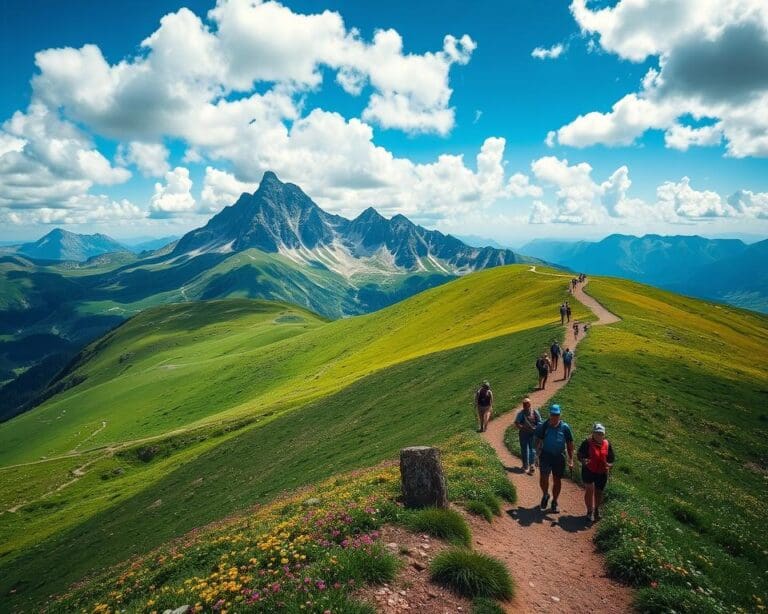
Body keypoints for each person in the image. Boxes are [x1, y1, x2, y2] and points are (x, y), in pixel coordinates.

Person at [534, 404, 574, 513]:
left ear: (560, 415)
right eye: (552, 414)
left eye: (556, 414)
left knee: (557, 480)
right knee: (543, 477)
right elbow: (538, 441)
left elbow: (570, 444)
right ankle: (545, 494)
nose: (554, 417)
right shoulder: (544, 426)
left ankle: (555, 501)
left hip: (559, 457)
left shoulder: (565, 428)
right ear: (549, 414)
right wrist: (536, 456)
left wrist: (571, 459)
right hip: (546, 455)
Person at [578, 423, 615, 522]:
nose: (599, 435)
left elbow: (611, 458)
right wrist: (583, 460)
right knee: (589, 490)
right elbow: (580, 454)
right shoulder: (587, 442)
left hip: (602, 472)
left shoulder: (607, 444)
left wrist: (609, 465)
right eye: (597, 433)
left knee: (599, 492)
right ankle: (589, 511)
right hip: (588, 470)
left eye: (601, 434)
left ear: (604, 435)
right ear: (593, 433)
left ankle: (596, 510)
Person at [514, 398, 542, 474]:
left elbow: (539, 422)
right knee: (524, 449)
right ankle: (525, 465)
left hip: (533, 434)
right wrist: (522, 427)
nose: (524, 406)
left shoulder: (535, 412)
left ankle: (531, 465)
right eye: (524, 404)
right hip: (523, 434)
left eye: (526, 404)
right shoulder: (521, 413)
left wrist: (536, 428)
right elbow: (516, 423)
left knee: (532, 449)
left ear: (530, 404)